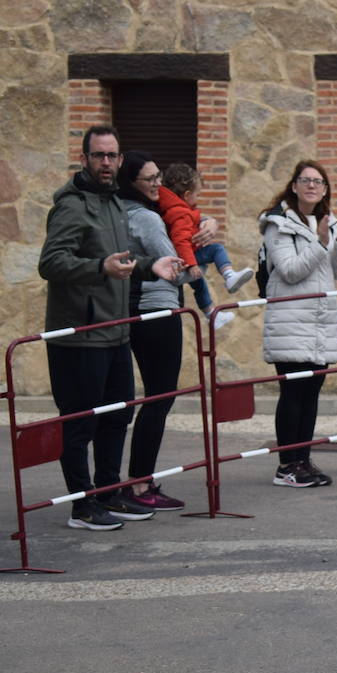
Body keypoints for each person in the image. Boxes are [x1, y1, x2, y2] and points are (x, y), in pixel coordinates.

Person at [37, 125, 181, 531]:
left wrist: (150, 266)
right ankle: (82, 506)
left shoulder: (115, 203)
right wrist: (99, 267)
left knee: (118, 417)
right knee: (80, 423)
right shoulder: (72, 206)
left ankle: (109, 492)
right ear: (83, 159)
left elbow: (121, 262)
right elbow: (50, 264)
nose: (106, 163)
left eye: (112, 156)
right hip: (79, 336)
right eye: (98, 155)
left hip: (117, 331)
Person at [258, 160, 337, 488]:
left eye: (319, 182)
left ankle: (303, 459)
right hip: (291, 320)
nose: (312, 186)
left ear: (325, 189)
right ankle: (286, 465)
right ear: (294, 186)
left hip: (319, 321)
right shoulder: (278, 223)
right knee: (292, 393)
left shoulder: (326, 223)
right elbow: (289, 270)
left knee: (312, 393)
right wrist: (320, 242)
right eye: (305, 180)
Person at [114, 151, 196, 514]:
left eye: (158, 176)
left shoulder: (120, 214)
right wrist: (202, 254)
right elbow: (176, 269)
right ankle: (140, 482)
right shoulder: (147, 219)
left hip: (133, 309)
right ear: (132, 183)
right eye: (149, 179)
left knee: (149, 398)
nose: (158, 184)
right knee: (159, 397)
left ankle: (133, 481)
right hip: (157, 309)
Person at [157, 162, 252, 327]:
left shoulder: (172, 209)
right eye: (197, 194)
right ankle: (229, 276)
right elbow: (181, 240)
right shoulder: (181, 214)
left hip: (185, 256)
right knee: (217, 249)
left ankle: (210, 314)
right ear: (187, 195)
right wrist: (192, 264)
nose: (198, 199)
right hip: (187, 256)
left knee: (199, 285)